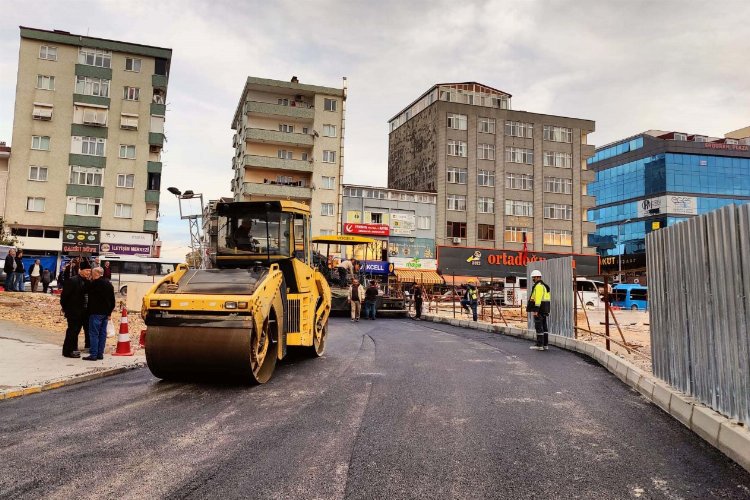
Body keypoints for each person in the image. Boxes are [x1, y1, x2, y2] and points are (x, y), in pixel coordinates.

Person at [83, 267, 115, 361]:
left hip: (95, 312)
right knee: (102, 334)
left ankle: (93, 354)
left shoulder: (95, 284)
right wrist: (109, 312)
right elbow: (112, 300)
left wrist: (88, 280)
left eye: (92, 273)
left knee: (94, 334)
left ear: (96, 273)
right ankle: (100, 353)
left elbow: (86, 290)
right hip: (105, 313)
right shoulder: (109, 284)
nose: (91, 274)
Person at [60, 265, 90, 358]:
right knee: (72, 331)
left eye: (90, 271)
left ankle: (74, 348)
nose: (88, 273)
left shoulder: (87, 281)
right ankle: (68, 351)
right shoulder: (73, 280)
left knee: (77, 331)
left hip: (83, 312)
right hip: (73, 311)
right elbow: (64, 297)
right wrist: (65, 308)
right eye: (86, 270)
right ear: (80, 270)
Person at [528, 269, 551, 351]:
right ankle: (545, 345)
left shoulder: (538, 286)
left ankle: (539, 345)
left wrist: (536, 310)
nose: (533, 279)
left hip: (540, 309)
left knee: (539, 326)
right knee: (544, 327)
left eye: (533, 277)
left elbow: (538, 299)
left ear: (538, 277)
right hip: (545, 309)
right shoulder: (545, 286)